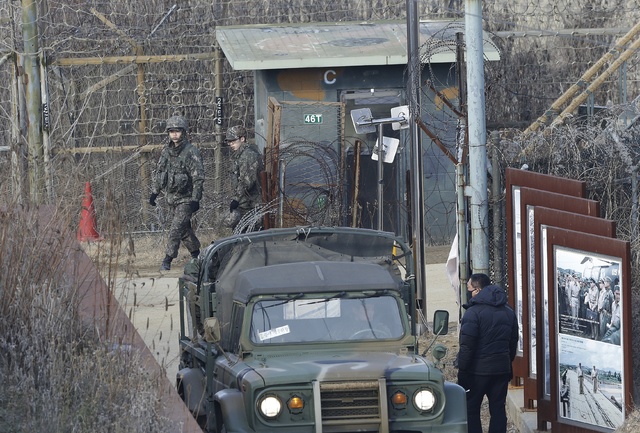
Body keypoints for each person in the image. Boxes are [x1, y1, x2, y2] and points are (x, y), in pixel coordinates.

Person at [456, 273, 519, 433]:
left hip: (477, 371)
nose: (469, 293)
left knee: (471, 409)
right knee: (498, 409)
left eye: (470, 289)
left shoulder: (473, 313)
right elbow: (513, 342)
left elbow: (467, 347)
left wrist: (462, 371)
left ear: (477, 290)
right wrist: (506, 361)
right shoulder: (508, 311)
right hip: (501, 369)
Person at [149, 115, 204, 270]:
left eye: (177, 131)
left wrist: (196, 199)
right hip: (171, 198)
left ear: (184, 132)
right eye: (171, 131)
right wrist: (155, 193)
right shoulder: (166, 152)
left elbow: (198, 177)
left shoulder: (191, 152)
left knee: (175, 229)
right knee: (184, 230)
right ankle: (197, 256)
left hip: (186, 199)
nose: (174, 134)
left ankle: (167, 260)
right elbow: (160, 174)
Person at [224, 125, 263, 232]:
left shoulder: (248, 155)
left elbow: (247, 181)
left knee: (249, 235)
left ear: (242, 139)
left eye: (233, 141)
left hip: (251, 204)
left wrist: (236, 198)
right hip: (244, 203)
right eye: (229, 142)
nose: (230, 144)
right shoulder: (239, 155)